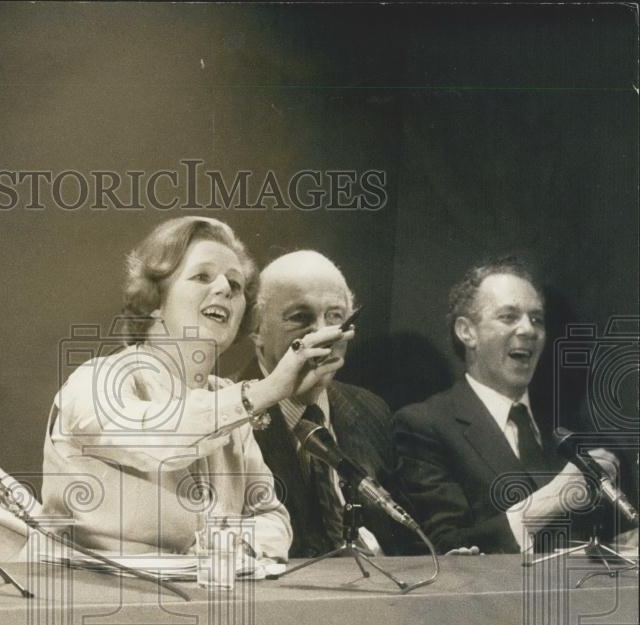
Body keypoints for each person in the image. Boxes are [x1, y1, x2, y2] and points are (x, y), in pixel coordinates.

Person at [41, 217, 349, 561]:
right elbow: (158, 437)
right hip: (90, 601)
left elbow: (272, 519)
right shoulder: (95, 381)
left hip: (200, 601)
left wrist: (227, 545)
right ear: (155, 299)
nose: (226, 288)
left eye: (235, 283)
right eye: (203, 276)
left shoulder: (229, 403)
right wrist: (267, 390)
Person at [392, 256, 610, 554]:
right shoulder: (424, 425)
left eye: (537, 319)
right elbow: (443, 546)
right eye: (509, 317)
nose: (529, 330)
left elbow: (603, 537)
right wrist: (554, 498)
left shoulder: (569, 426)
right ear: (467, 332)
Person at [246, 250, 418, 557]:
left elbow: (405, 536)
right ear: (257, 330)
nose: (323, 334)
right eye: (300, 317)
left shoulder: (370, 411)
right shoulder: (230, 413)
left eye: (336, 317)